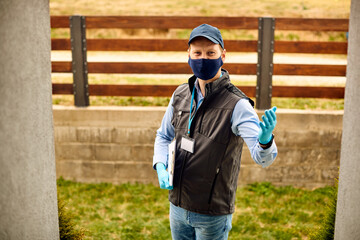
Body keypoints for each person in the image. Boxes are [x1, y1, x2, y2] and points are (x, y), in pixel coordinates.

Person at [152, 23, 278, 240]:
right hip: (178, 207)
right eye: (197, 52)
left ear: (223, 55)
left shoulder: (237, 104)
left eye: (211, 53)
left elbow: (263, 158)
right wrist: (160, 165)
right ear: (188, 55)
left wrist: (265, 141)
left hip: (212, 215)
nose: (203, 58)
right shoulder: (180, 94)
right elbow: (163, 135)